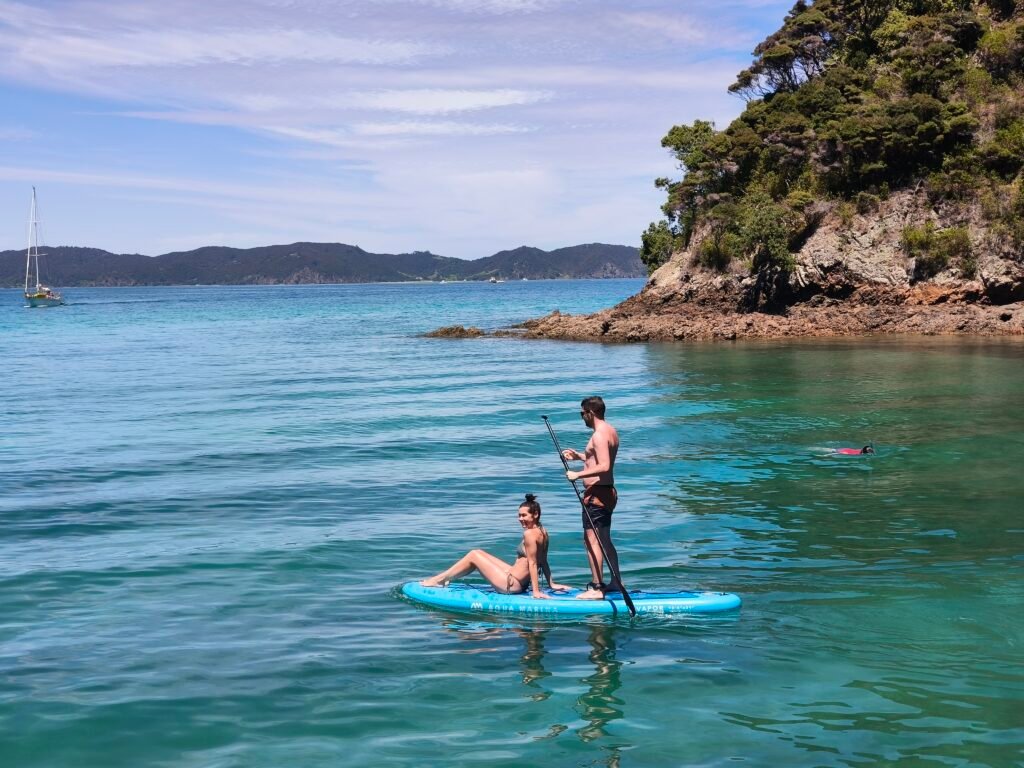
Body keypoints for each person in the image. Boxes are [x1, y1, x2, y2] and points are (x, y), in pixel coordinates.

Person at [419, 494, 572, 598]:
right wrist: (551, 584)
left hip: (512, 586)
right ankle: (445, 579)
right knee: (478, 552)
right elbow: (543, 561)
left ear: (536, 514)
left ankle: (439, 580)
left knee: (473, 555)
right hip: (517, 580)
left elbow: (533, 563)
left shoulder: (529, 534)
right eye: (519, 515)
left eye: (524, 515)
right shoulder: (543, 531)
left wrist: (536, 592)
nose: (520, 519)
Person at [561, 396, 622, 600]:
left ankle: (597, 588)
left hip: (597, 495)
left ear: (591, 412)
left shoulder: (598, 435)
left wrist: (577, 474)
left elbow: (604, 466)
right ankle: (616, 582)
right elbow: (599, 458)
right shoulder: (610, 431)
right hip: (606, 492)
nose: (582, 418)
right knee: (604, 539)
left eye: (582, 413)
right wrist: (580, 456)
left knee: (592, 541)